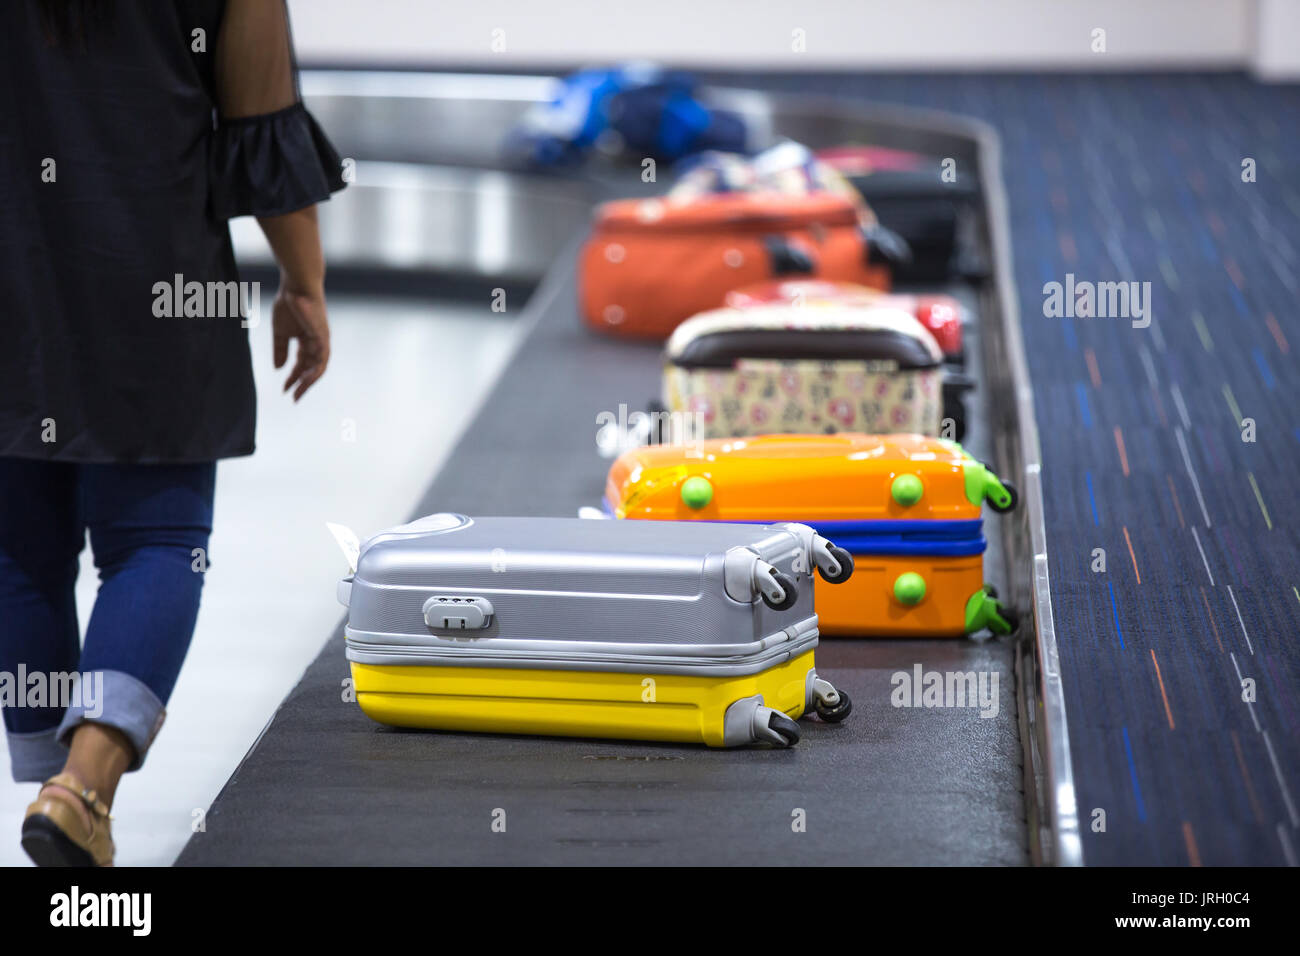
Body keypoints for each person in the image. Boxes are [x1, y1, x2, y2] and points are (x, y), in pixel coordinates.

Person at [0, 0, 346, 866]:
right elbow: (261, 120)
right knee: (155, 540)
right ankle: (80, 789)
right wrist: (304, 283)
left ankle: (52, 773)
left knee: (17, 548)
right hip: (154, 278)